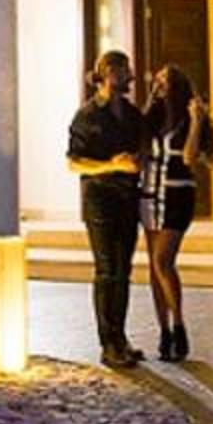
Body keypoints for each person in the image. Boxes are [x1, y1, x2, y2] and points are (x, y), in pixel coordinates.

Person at [66, 50, 151, 369]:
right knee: (107, 270)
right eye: (120, 69)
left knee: (123, 269)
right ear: (105, 74)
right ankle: (108, 343)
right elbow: (74, 162)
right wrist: (111, 165)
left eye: (127, 69)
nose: (126, 75)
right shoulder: (88, 115)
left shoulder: (131, 113)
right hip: (99, 198)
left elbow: (144, 144)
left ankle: (121, 337)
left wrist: (138, 161)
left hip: (127, 197)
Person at [139, 64, 213, 362]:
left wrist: (197, 121)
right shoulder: (152, 118)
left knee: (163, 261)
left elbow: (188, 157)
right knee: (154, 266)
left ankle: (179, 325)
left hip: (177, 195)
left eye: (165, 81)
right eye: (157, 80)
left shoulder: (188, 118)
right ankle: (164, 331)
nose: (159, 85)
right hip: (149, 194)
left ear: (177, 87)